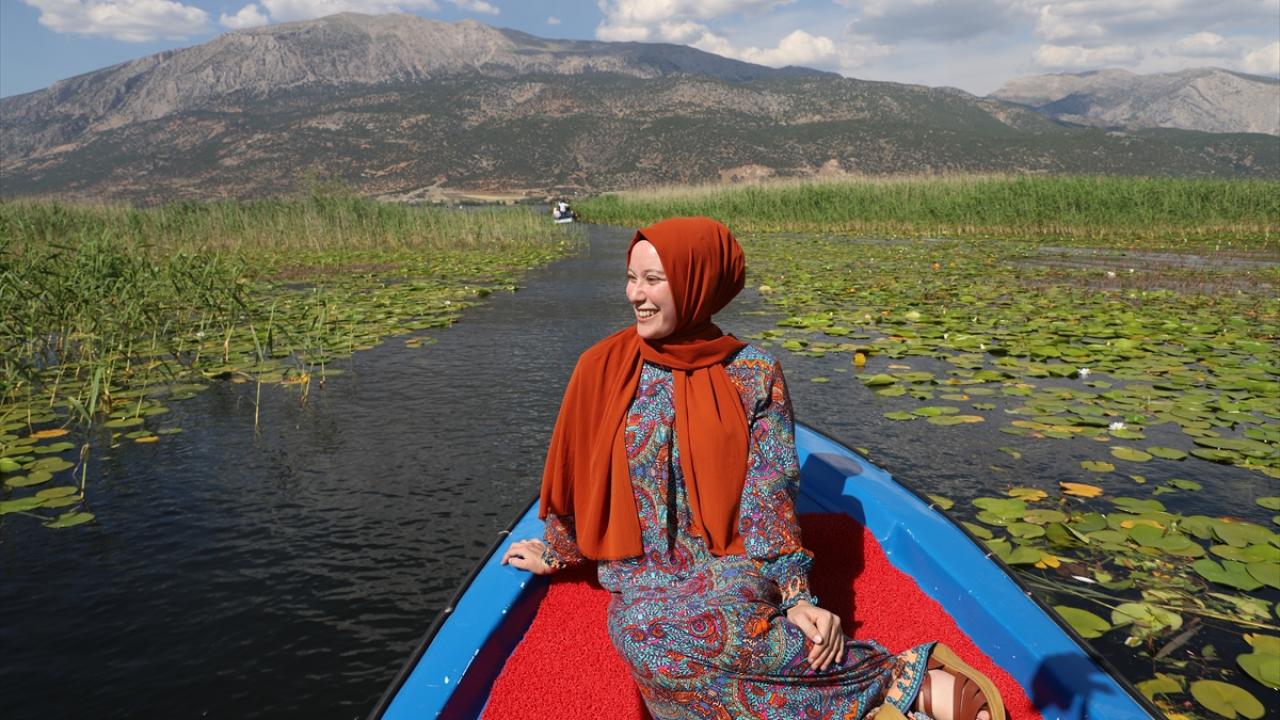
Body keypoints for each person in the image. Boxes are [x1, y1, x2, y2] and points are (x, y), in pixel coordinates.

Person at [502, 217, 1004, 720]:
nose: (636, 294)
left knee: (705, 637)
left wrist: (796, 597)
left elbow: (769, 492)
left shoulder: (753, 374)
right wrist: (559, 548)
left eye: (654, 280)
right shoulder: (601, 367)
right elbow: (578, 470)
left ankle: (891, 684)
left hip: (729, 559)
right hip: (644, 569)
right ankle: (892, 681)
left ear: (699, 283)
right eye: (632, 277)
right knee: (644, 636)